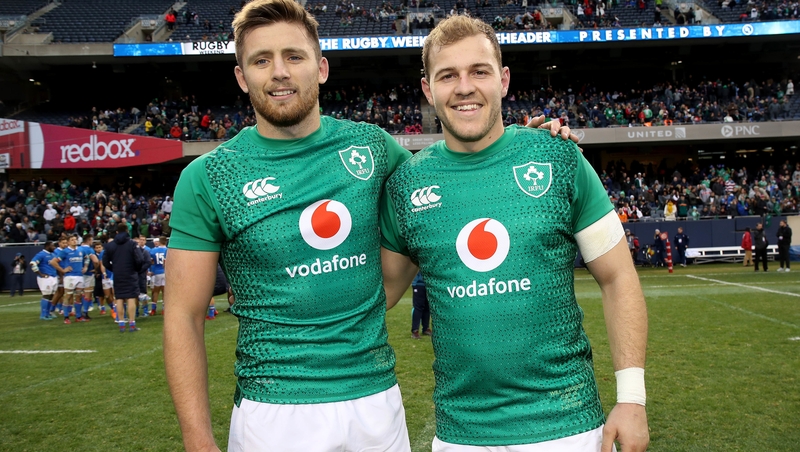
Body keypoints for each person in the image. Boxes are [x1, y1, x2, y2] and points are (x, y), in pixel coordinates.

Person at [164, 3, 573, 450]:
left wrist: (522, 143)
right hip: (275, 408)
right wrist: (197, 439)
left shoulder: (372, 147)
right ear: (242, 76)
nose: (279, 72)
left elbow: (451, 174)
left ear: (321, 68)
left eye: (294, 56)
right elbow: (184, 315)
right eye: (262, 60)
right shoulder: (208, 178)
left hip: (377, 400)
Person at [380, 15, 648, 452]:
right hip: (461, 436)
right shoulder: (407, 184)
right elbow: (375, 293)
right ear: (428, 89)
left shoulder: (559, 158)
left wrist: (632, 399)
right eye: (448, 75)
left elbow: (618, 277)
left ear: (503, 80)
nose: (465, 87)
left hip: (568, 427)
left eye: (479, 72)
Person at [103, 223, 145, 332]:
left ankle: (121, 323)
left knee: (119, 297)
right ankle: (132, 323)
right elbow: (139, 259)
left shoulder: (110, 245)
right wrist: (136, 269)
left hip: (118, 273)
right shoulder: (132, 244)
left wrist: (114, 268)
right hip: (130, 273)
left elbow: (105, 261)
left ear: (116, 232)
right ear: (127, 231)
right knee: (131, 297)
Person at [50, 234, 88, 324]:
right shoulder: (65, 251)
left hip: (79, 276)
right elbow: (53, 262)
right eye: (72, 240)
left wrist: (85, 266)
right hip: (70, 277)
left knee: (78, 296)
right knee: (68, 296)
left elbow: (87, 258)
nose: (75, 241)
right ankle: (66, 317)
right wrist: (62, 270)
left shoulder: (81, 249)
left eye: (75, 239)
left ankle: (78, 316)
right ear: (68, 242)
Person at [30, 242, 58, 320]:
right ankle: (43, 314)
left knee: (51, 295)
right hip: (45, 278)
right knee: (46, 295)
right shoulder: (41, 254)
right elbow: (32, 263)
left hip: (53, 276)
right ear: (47, 246)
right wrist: (40, 274)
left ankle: (48, 313)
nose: (54, 247)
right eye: (52, 246)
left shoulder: (53, 254)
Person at [149, 236, 167, 315]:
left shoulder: (153, 250)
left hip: (157, 272)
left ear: (159, 241)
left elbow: (151, 261)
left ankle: (153, 309)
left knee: (156, 291)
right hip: (166, 272)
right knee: (165, 291)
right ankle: (164, 309)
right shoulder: (168, 250)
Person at [410, 272, 430, 339]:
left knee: (427, 307)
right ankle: (415, 330)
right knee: (418, 307)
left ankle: (426, 328)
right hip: (418, 284)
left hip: (428, 284)